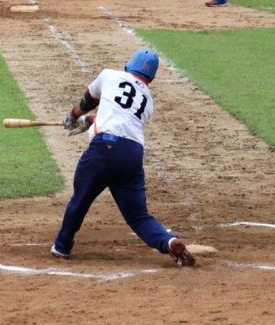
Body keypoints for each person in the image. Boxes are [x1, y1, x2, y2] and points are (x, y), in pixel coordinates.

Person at [53, 49, 195, 267]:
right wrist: (90, 121)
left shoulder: (109, 75)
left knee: (80, 200)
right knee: (138, 215)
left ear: (128, 65)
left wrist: (74, 116)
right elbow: (122, 118)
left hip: (102, 151)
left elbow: (89, 100)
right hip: (131, 156)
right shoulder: (148, 101)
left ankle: (62, 246)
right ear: (152, 78)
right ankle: (169, 241)